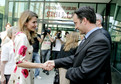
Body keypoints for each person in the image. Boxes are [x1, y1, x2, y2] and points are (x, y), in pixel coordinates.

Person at [44, 6, 111, 84]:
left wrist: (65, 71)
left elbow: (85, 72)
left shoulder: (99, 41)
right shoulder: (91, 37)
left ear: (84, 20)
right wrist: (55, 62)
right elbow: (77, 57)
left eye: (76, 23)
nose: (75, 27)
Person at [8, 10, 46, 84]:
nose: (36, 25)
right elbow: (19, 62)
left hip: (24, 74)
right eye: (33, 22)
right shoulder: (22, 37)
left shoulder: (24, 36)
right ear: (25, 22)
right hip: (21, 76)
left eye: (36, 22)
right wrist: (41, 65)